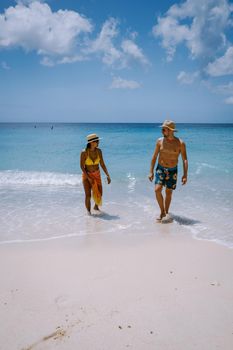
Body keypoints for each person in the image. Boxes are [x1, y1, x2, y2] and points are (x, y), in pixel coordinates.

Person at [148, 120, 188, 223]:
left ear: (170, 131)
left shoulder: (180, 143)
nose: (162, 131)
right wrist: (151, 171)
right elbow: (154, 157)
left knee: (168, 192)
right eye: (162, 129)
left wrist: (185, 175)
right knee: (157, 190)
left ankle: (166, 211)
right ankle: (162, 212)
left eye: (164, 129)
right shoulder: (159, 141)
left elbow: (184, 159)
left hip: (172, 171)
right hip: (161, 168)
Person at [80, 133, 111, 215]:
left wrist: (108, 175)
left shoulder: (99, 151)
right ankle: (89, 213)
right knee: (88, 195)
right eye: (97, 141)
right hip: (87, 175)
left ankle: (96, 206)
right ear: (92, 142)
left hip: (97, 174)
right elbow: (82, 166)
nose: (98, 142)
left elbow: (102, 164)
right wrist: (88, 177)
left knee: (100, 193)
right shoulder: (84, 152)